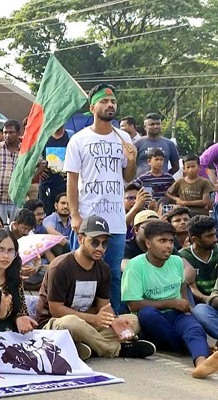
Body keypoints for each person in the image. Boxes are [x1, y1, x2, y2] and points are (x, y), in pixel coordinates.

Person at [37, 216, 155, 360]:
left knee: (132, 321)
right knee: (72, 322)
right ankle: (117, 349)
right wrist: (94, 319)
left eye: (104, 244)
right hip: (55, 324)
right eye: (94, 242)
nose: (100, 248)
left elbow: (104, 307)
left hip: (88, 322)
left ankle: (82, 346)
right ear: (80, 239)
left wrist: (114, 321)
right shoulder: (60, 267)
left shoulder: (104, 269)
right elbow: (56, 310)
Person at [64, 84, 138, 313]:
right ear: (92, 107)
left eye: (113, 101)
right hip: (88, 219)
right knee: (82, 272)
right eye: (104, 102)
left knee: (113, 274)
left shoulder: (123, 137)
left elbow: (128, 177)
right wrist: (75, 215)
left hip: (116, 220)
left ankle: (112, 319)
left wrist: (132, 160)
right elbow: (72, 180)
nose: (110, 105)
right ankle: (77, 318)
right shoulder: (79, 139)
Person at [122, 221, 218, 379]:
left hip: (176, 313)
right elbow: (133, 304)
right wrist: (170, 303)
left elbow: (182, 288)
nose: (168, 246)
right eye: (162, 241)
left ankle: (201, 364)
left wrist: (188, 311)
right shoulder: (135, 266)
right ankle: (191, 346)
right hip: (152, 318)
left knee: (193, 328)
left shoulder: (176, 261)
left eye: (171, 241)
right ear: (148, 243)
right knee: (147, 314)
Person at [180, 215, 218, 338]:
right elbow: (191, 288)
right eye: (209, 236)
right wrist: (209, 299)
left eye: (215, 234)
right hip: (202, 303)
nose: (215, 239)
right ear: (195, 239)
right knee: (200, 311)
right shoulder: (183, 257)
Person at [38, 127, 70, 216]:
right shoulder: (43, 137)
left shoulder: (71, 136)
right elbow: (34, 156)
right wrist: (38, 169)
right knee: (45, 215)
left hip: (65, 186)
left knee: (64, 215)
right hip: (46, 185)